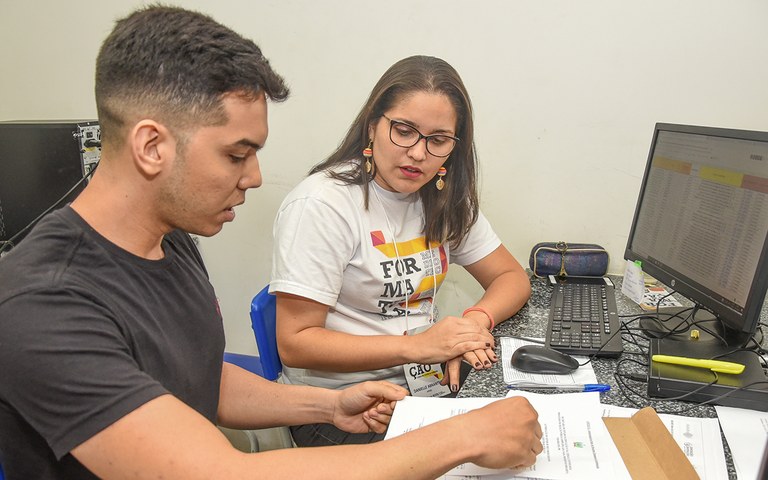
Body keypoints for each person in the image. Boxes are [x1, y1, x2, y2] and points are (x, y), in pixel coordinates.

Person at [0, 6, 542, 479]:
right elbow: (218, 473)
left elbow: (197, 379)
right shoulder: (43, 306)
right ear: (151, 146)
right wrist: (464, 438)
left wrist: (327, 407)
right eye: (236, 154)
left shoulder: (169, 238)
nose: (255, 176)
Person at [271, 55, 533, 447]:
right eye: (404, 131)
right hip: (339, 405)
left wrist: (476, 321)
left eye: (438, 140)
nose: (417, 153)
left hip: (421, 385)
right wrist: (416, 347)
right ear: (373, 125)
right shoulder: (322, 205)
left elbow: (511, 278)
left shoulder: (444, 200)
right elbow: (295, 343)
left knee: (520, 434)